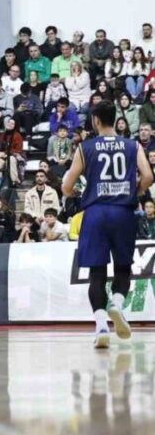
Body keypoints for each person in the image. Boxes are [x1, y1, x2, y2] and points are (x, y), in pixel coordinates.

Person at [63, 100, 154, 348]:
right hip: (122, 212)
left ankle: (101, 325)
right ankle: (116, 302)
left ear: (95, 121)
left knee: (96, 272)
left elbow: (66, 184)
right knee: (123, 268)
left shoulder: (86, 147)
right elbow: (148, 176)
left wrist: (75, 193)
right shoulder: (133, 145)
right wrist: (135, 191)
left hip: (95, 213)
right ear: (115, 119)